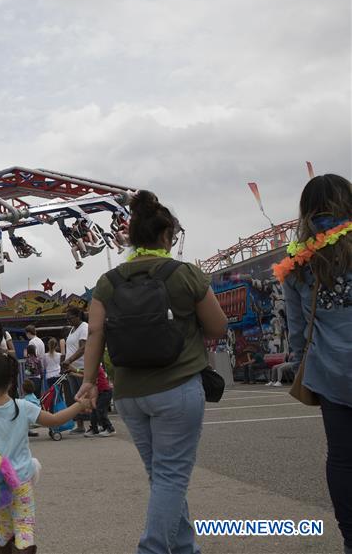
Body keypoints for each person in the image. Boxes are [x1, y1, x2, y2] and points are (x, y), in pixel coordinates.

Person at [77, 189, 227, 554]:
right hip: (177, 387)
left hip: (130, 393)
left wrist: (88, 382)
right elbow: (218, 327)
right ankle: (152, 549)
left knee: (162, 477)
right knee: (171, 477)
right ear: (165, 235)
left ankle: (185, 548)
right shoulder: (184, 274)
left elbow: (95, 333)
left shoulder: (108, 281)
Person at [278, 174, 352, 553]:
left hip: (330, 373)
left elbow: (296, 331)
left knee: (342, 459)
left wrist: (300, 363)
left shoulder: (297, 264)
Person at [0, 348, 92, 554]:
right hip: (22, 479)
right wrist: (79, 406)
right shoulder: (22, 407)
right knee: (24, 525)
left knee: (5, 523)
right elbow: (55, 420)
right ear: (12, 380)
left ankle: (4, 547)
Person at [61, 307, 89, 434]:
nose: (68, 320)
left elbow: (83, 348)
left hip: (81, 368)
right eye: (67, 318)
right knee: (75, 397)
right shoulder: (73, 329)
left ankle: (98, 423)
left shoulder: (84, 327)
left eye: (70, 318)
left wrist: (69, 360)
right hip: (71, 369)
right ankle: (80, 425)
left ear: (78, 316)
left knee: (85, 396)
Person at [84, 364, 115, 438]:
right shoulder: (92, 368)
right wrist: (73, 372)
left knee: (100, 410)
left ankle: (110, 428)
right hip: (99, 393)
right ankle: (94, 429)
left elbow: (85, 375)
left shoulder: (96, 367)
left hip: (105, 392)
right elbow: (85, 375)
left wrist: (75, 370)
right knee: (94, 411)